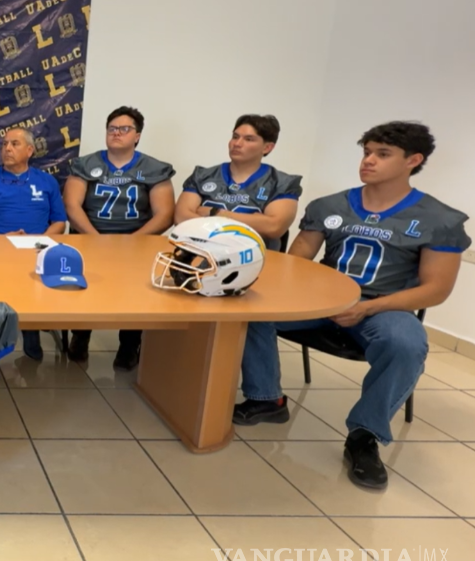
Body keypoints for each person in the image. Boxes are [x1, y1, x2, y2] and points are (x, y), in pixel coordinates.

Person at [235, 121, 470, 490]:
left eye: (382, 154)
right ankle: (266, 399)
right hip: (320, 302)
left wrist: (366, 308)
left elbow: (435, 290)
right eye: (367, 152)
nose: (368, 161)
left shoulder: (438, 219)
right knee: (246, 311)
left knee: (406, 344)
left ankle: (364, 435)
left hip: (383, 307)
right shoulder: (330, 205)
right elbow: (294, 264)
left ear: (413, 160)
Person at [65, 106, 176, 369]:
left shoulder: (154, 168)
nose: (116, 133)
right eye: (112, 128)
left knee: (136, 293)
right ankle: (80, 336)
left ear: (137, 136)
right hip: (90, 238)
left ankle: (129, 344)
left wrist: (132, 240)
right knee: (84, 289)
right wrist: (95, 238)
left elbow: (164, 214)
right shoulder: (86, 164)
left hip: (137, 241)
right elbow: (72, 205)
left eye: (124, 129)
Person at [0, 127, 66, 360]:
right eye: (4, 144)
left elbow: (60, 222)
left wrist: (39, 242)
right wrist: (0, 240)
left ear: (29, 150)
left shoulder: (46, 181)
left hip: (35, 251)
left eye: (14, 144)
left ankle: (31, 331)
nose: (7, 148)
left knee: (33, 285)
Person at [175, 114, 303, 251]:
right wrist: (252, 221)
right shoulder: (203, 176)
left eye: (249, 139)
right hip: (198, 251)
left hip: (254, 258)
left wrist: (217, 213)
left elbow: (273, 227)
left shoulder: (281, 184)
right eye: (235, 137)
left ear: (267, 148)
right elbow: (181, 217)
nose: (237, 144)